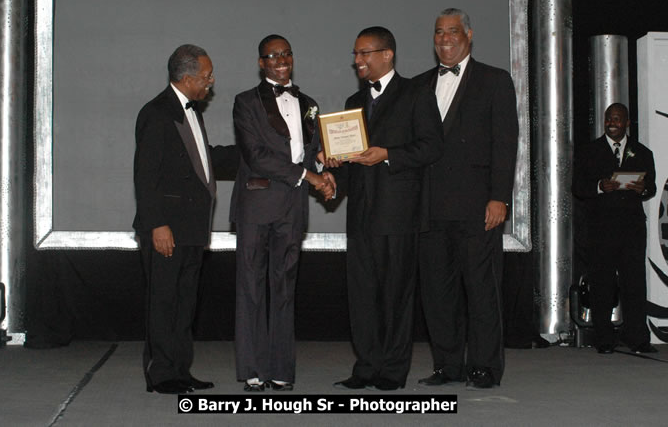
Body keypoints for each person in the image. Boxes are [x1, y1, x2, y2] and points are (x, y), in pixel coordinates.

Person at [328, 26, 443, 391]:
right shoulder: (352, 102)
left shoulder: (416, 94)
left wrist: (388, 155)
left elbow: (431, 147)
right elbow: (351, 159)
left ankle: (393, 369)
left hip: (398, 213)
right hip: (360, 214)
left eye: (364, 53)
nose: (357, 61)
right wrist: (333, 175)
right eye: (355, 54)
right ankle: (366, 366)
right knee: (362, 294)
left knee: (396, 293)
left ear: (387, 54)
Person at [414, 8, 518, 390]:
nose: (445, 39)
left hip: (479, 207)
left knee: (481, 290)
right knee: (437, 294)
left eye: (452, 31)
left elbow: (505, 145)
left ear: (469, 35)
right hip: (429, 208)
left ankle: (485, 367)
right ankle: (447, 366)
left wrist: (499, 198)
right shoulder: (420, 84)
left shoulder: (495, 80)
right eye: (438, 32)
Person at [230, 35, 334, 392]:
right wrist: (310, 176)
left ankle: (281, 369)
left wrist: (325, 164)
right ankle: (254, 370)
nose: (280, 60)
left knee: (285, 287)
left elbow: (315, 149)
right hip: (257, 205)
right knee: (252, 287)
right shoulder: (245, 102)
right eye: (272, 56)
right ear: (261, 63)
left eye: (286, 53)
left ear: (293, 58)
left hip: (293, 207)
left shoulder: (309, 104)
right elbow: (256, 156)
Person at [133, 44, 235, 394]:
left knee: (184, 304)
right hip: (167, 228)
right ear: (188, 78)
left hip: (193, 228)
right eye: (207, 77)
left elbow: (201, 163)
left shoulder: (194, 112)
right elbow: (145, 176)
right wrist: (156, 224)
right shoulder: (156, 112)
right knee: (163, 302)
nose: (211, 83)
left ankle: (180, 369)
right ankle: (161, 374)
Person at [573, 103, 657, 354]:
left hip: (631, 229)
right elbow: (577, 187)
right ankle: (604, 339)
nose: (612, 122)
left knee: (634, 283)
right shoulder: (590, 151)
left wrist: (643, 189)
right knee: (602, 283)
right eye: (609, 118)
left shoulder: (642, 152)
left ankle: (637, 337)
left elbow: (650, 187)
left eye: (618, 119)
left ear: (628, 123)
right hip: (601, 228)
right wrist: (599, 186)